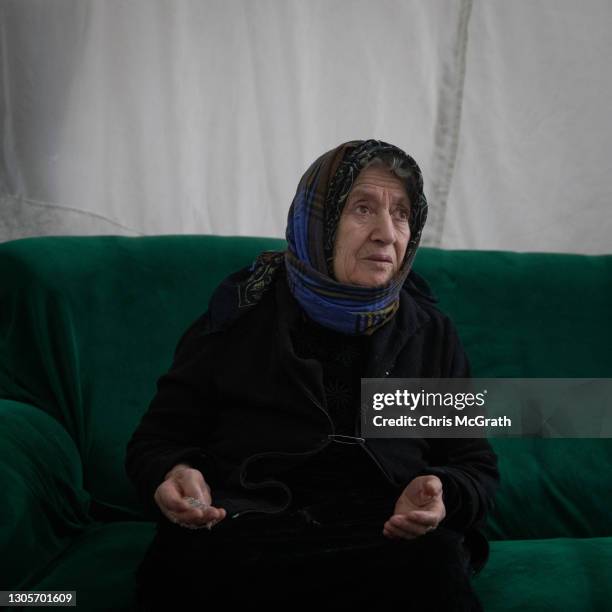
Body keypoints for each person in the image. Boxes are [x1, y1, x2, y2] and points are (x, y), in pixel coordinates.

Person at [125, 139, 500, 611]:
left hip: (385, 533)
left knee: (434, 567)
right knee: (183, 568)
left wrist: (442, 491)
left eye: (402, 213)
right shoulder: (240, 316)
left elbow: (474, 465)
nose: (388, 233)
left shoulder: (427, 333)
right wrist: (175, 473)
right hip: (247, 526)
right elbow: (155, 442)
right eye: (363, 208)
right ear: (316, 222)